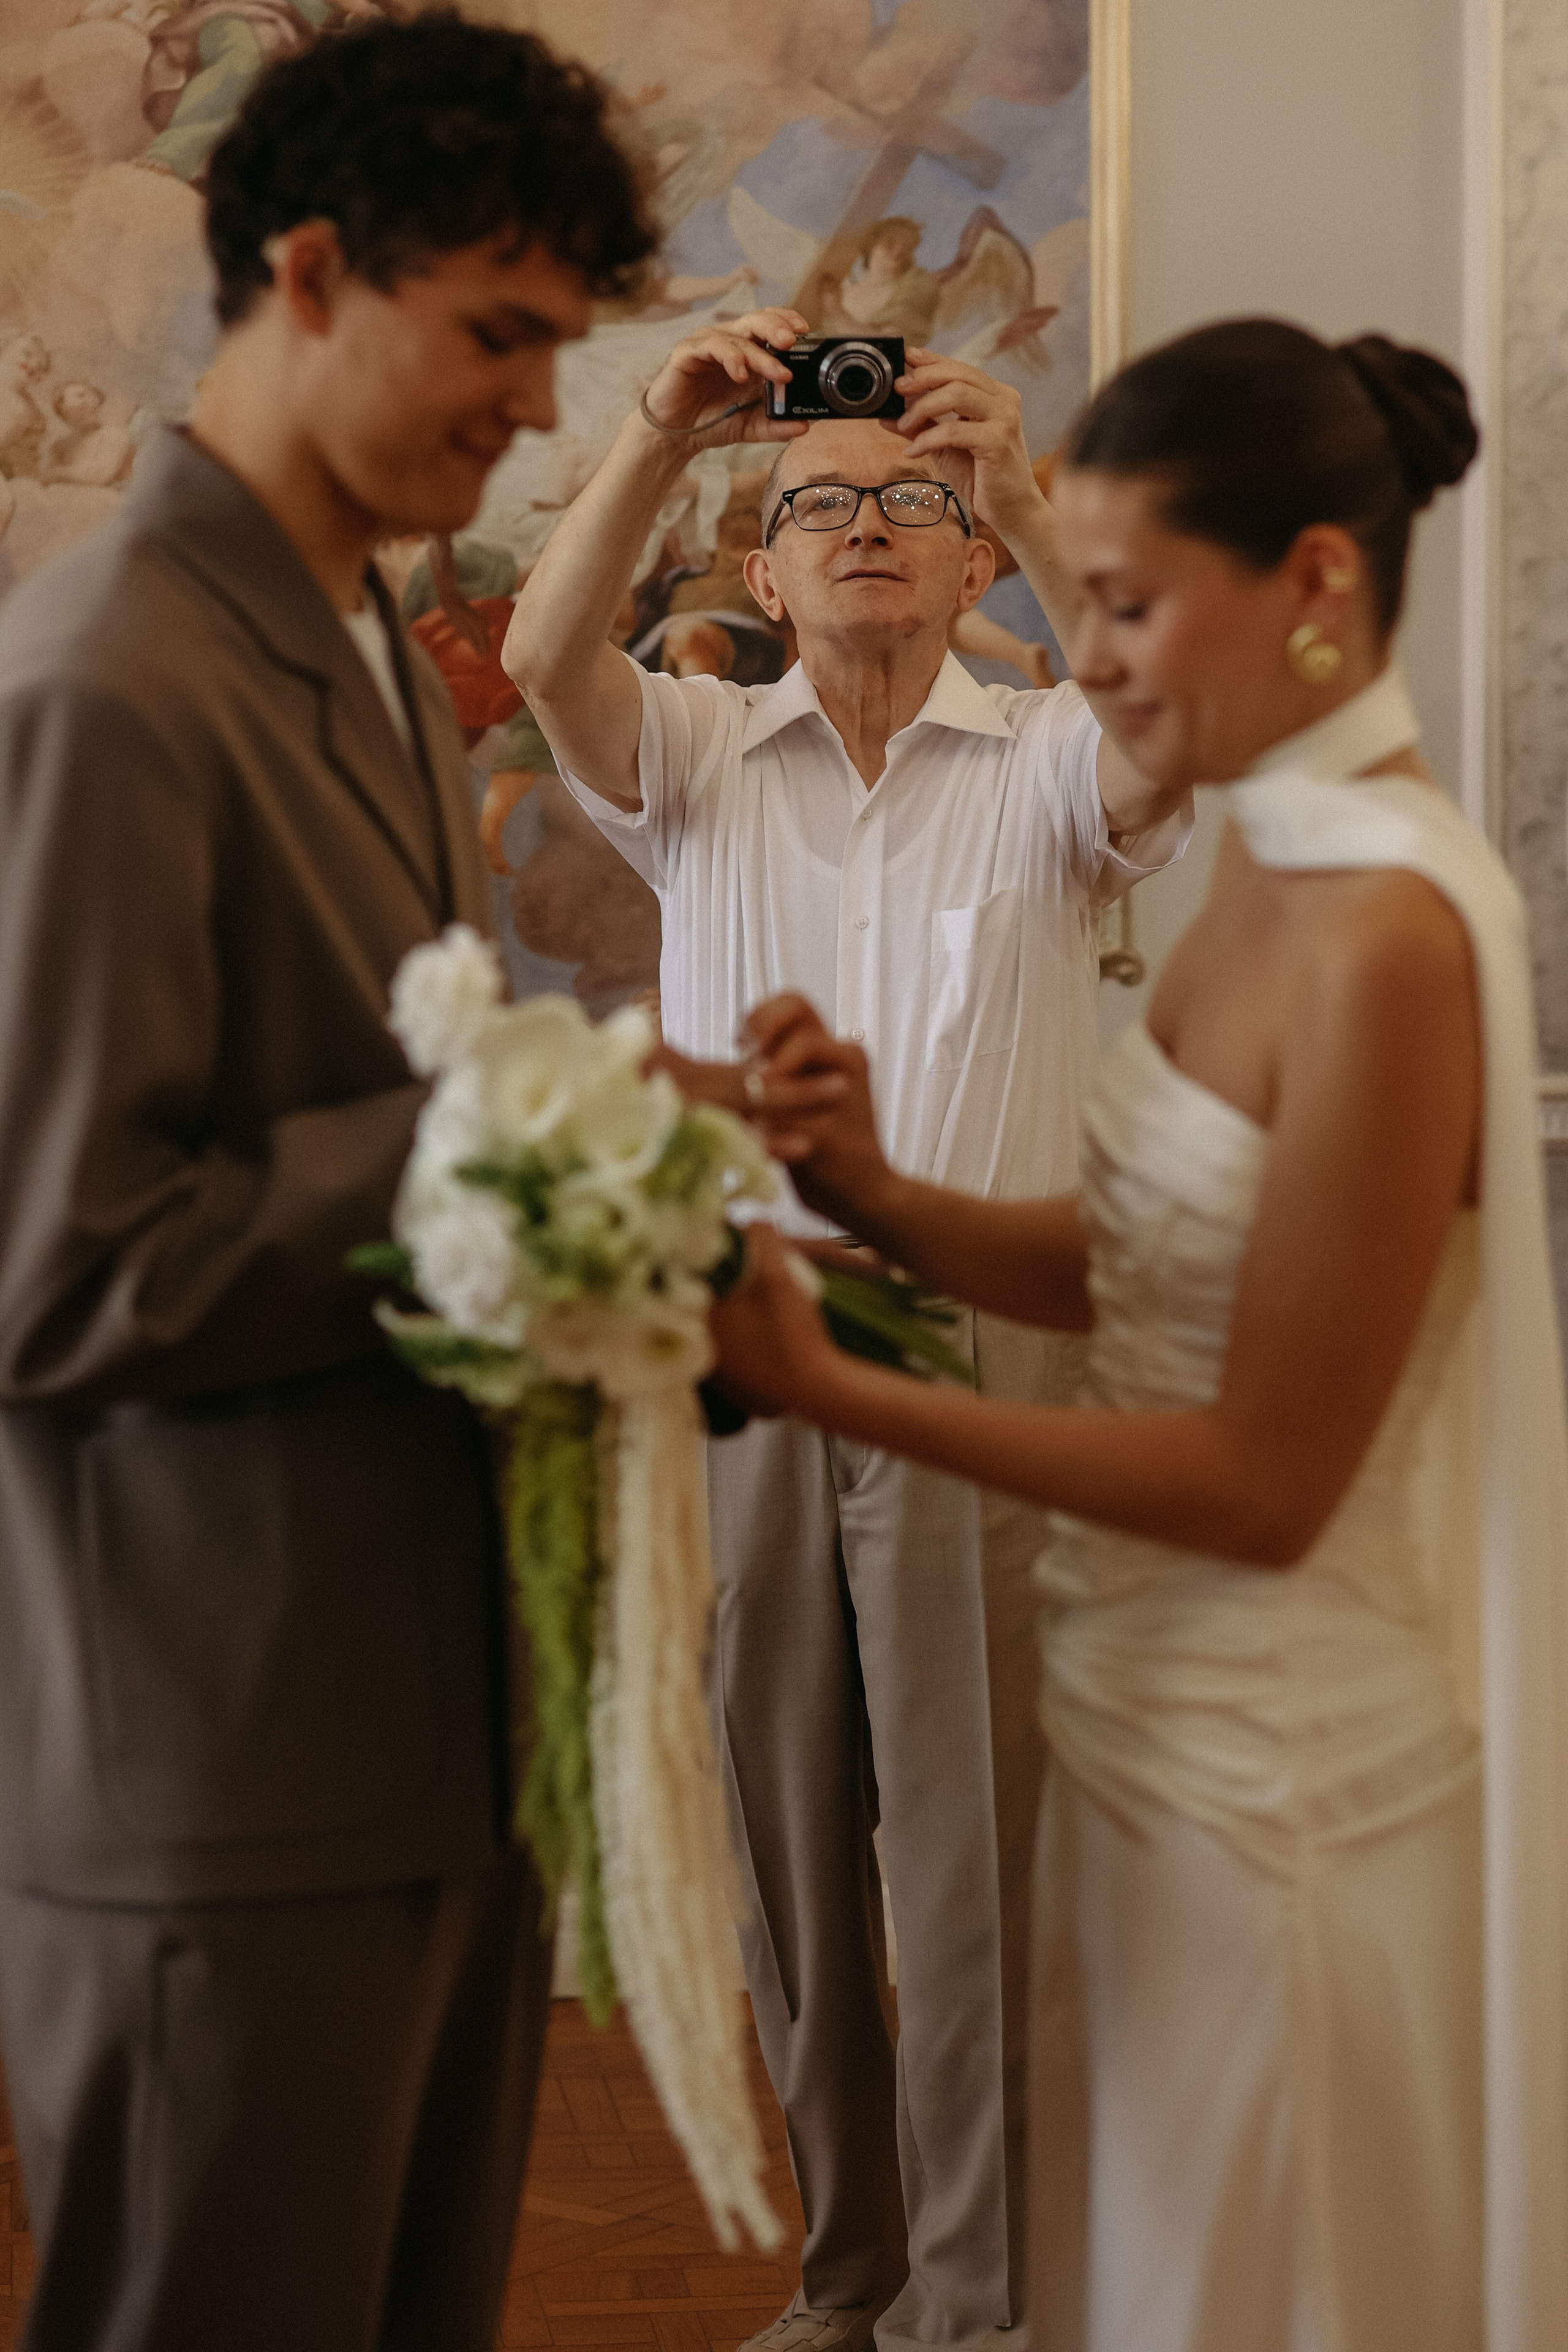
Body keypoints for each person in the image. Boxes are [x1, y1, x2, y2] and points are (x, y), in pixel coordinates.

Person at [709, 319, 1568, 2352]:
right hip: (1147, 1746)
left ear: (1318, 588)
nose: (1077, 658)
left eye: (1118, 600)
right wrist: (874, 1201)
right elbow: (1150, 1253)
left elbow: (1270, 1480)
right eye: (1070, 600)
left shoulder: (1390, 928)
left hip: (1285, 1767)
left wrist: (830, 1383)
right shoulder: (1283, 852)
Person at [0, 20, 652, 2351]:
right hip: (218, 1776)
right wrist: (502, 1144)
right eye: (500, 339)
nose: (539, 414)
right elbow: (58, 1267)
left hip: (428, 1747)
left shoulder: (384, 645)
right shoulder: (98, 687)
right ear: (304, 269)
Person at [503, 319, 1190, 2352]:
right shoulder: (697, 757)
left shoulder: (1055, 752)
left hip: (982, 1364)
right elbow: (545, 660)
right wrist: (656, 427)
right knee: (797, 1855)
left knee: (970, 1858)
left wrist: (1034, 505)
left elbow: (1169, 730)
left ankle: (977, 2312)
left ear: (969, 560)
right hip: (753, 1348)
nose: (868, 533)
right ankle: (853, 2275)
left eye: (911, 505)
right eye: (820, 508)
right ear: (764, 571)